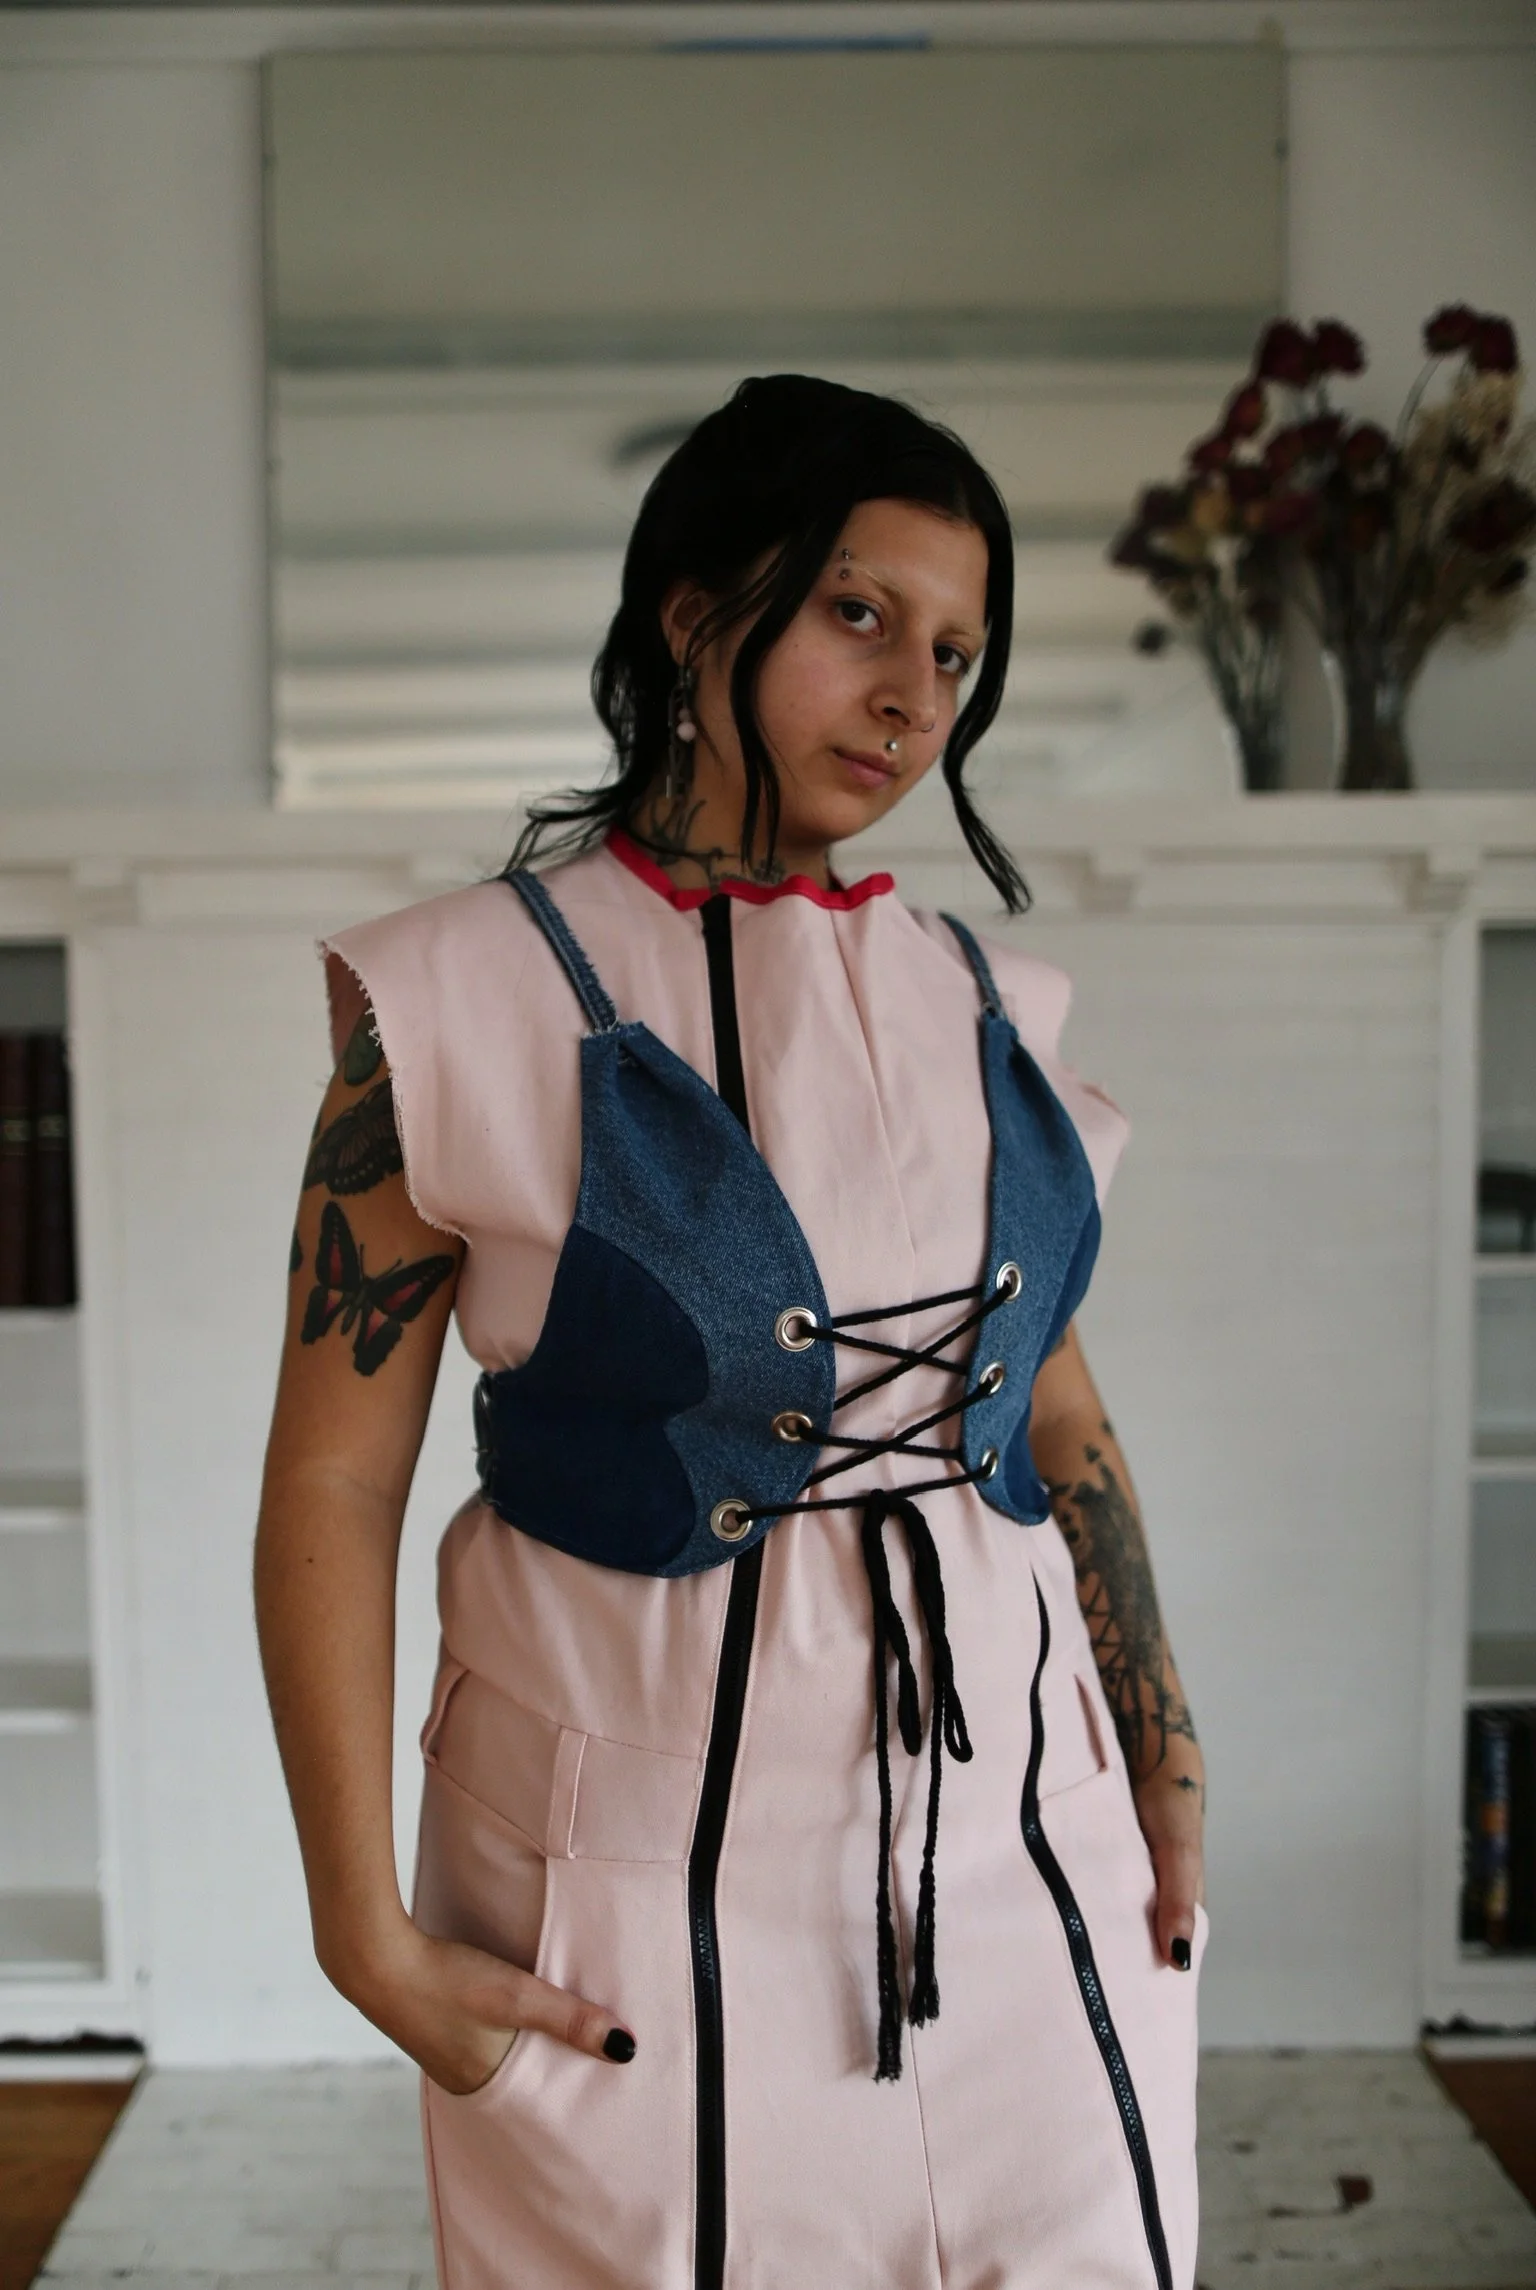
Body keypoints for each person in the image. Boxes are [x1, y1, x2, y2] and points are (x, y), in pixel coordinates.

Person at [255, 374, 1207, 2290]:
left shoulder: (982, 999)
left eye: (958, 651)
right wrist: (360, 1932)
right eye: (861, 613)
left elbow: (1056, 1409)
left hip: (1030, 1883)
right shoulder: (459, 998)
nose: (915, 694)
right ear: (696, 617)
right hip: (632, 1921)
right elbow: (334, 1482)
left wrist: (1167, 1754)